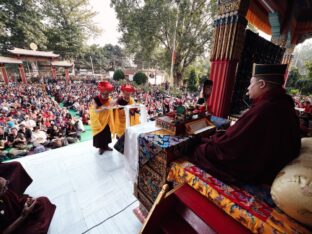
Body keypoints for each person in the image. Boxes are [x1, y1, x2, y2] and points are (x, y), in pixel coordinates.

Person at [189, 64, 301, 185]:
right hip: (270, 161)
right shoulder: (284, 103)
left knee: (199, 150)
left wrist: (209, 139)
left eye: (250, 83)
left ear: (261, 84)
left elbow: (230, 146)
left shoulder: (265, 108)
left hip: (257, 167)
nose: (248, 88)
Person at [89, 81, 115, 155]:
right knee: (100, 134)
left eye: (108, 94)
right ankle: (101, 148)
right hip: (99, 120)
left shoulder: (109, 98)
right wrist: (104, 108)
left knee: (106, 132)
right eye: (105, 95)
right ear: (101, 93)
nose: (107, 97)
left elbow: (112, 104)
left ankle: (106, 146)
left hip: (106, 119)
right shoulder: (96, 99)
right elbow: (95, 110)